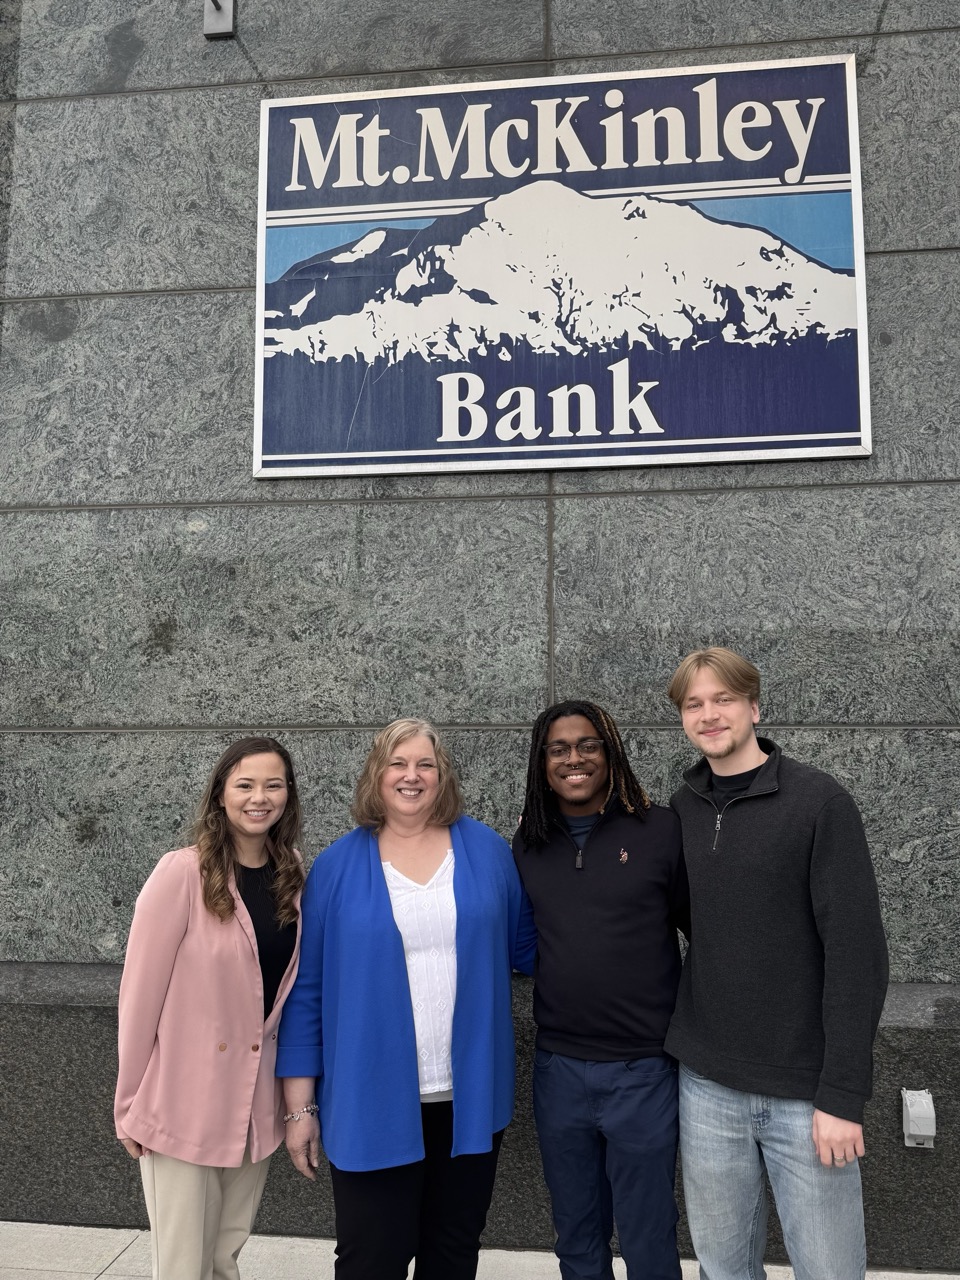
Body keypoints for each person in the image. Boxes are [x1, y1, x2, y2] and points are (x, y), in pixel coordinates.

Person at [277, 717, 536, 1280]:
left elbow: (529, 947)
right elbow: (308, 994)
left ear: (442, 777)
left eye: (426, 764)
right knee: (373, 1258)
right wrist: (300, 1108)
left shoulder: (488, 851)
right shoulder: (337, 868)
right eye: (398, 763)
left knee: (452, 1252)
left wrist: (552, 854)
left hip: (466, 1100)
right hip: (370, 1099)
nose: (411, 776)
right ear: (377, 775)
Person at [665, 647, 889, 1280]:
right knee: (724, 1269)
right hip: (707, 1085)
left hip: (805, 1094)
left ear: (753, 708)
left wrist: (842, 1095)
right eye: (694, 704)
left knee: (830, 1270)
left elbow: (858, 956)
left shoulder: (819, 804)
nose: (709, 714)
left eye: (723, 699)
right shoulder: (680, 812)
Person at [513, 699, 690, 1280]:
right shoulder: (529, 844)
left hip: (642, 1070)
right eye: (558, 749)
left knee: (647, 1237)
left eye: (587, 744)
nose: (574, 759)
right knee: (577, 1235)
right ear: (542, 763)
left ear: (610, 753)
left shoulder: (661, 830)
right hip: (558, 1068)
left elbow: (705, 936)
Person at [114, 736, 304, 1280]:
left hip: (253, 1105)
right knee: (182, 1266)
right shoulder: (182, 872)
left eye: (273, 785)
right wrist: (128, 1101)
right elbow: (139, 996)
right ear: (220, 794)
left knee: (224, 1258)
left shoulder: (291, 874)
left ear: (288, 796)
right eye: (244, 784)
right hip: (181, 1100)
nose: (258, 797)